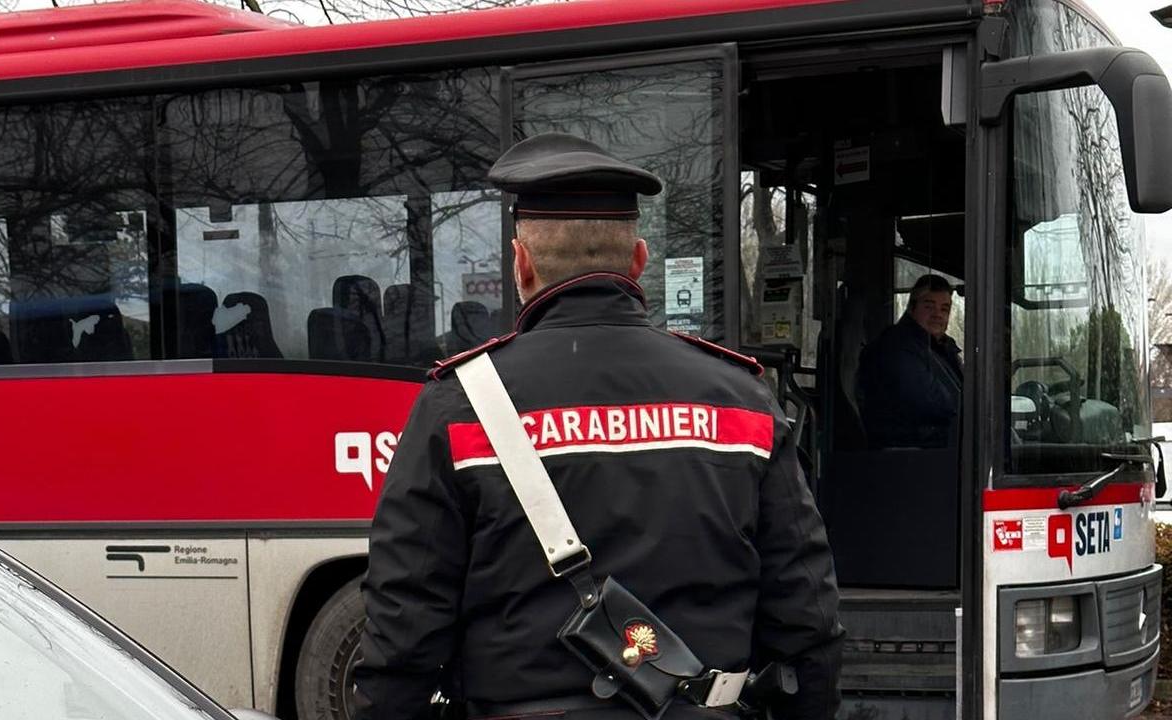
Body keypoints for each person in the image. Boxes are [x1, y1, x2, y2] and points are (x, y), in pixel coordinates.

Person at [353, 132, 843, 720]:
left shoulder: (459, 407)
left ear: (522, 263)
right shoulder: (742, 398)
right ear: (638, 261)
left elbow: (403, 632)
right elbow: (807, 620)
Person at [857, 274, 963, 448]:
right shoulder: (896, 347)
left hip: (936, 445)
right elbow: (933, 403)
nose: (938, 315)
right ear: (912, 308)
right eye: (929, 307)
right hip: (911, 452)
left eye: (944, 309)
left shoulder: (940, 347)